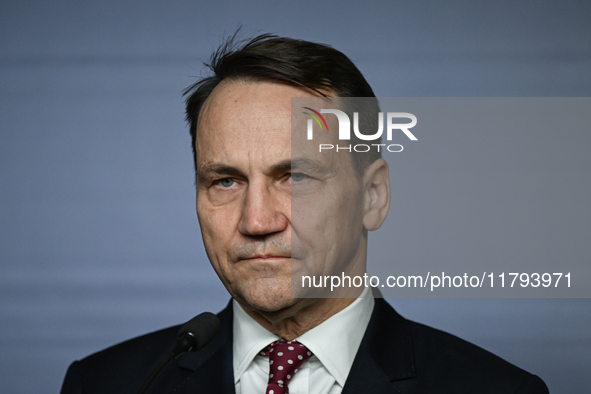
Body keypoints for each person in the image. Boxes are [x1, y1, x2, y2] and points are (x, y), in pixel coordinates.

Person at [60, 34, 549, 394]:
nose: (257, 221)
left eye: (295, 177)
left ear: (373, 196)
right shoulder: (108, 384)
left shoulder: (494, 389)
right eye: (225, 181)